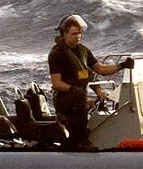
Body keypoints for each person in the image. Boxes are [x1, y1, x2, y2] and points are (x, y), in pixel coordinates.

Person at [48, 14, 134, 150]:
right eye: (74, 34)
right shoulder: (57, 54)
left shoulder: (83, 51)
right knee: (80, 96)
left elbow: (100, 69)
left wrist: (122, 66)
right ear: (65, 34)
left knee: (90, 98)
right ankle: (82, 141)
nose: (77, 37)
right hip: (64, 99)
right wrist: (73, 90)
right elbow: (56, 83)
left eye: (79, 33)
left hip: (78, 96)